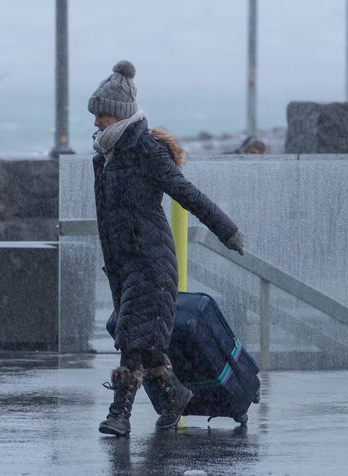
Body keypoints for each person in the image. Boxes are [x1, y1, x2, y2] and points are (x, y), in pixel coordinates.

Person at [88, 60, 245, 436]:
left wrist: (228, 231)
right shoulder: (104, 158)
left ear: (121, 115)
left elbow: (187, 194)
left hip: (152, 261)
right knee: (148, 342)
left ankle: (119, 415)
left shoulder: (146, 150)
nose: (96, 123)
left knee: (131, 336)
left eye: (102, 115)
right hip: (123, 265)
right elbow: (107, 219)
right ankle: (174, 396)